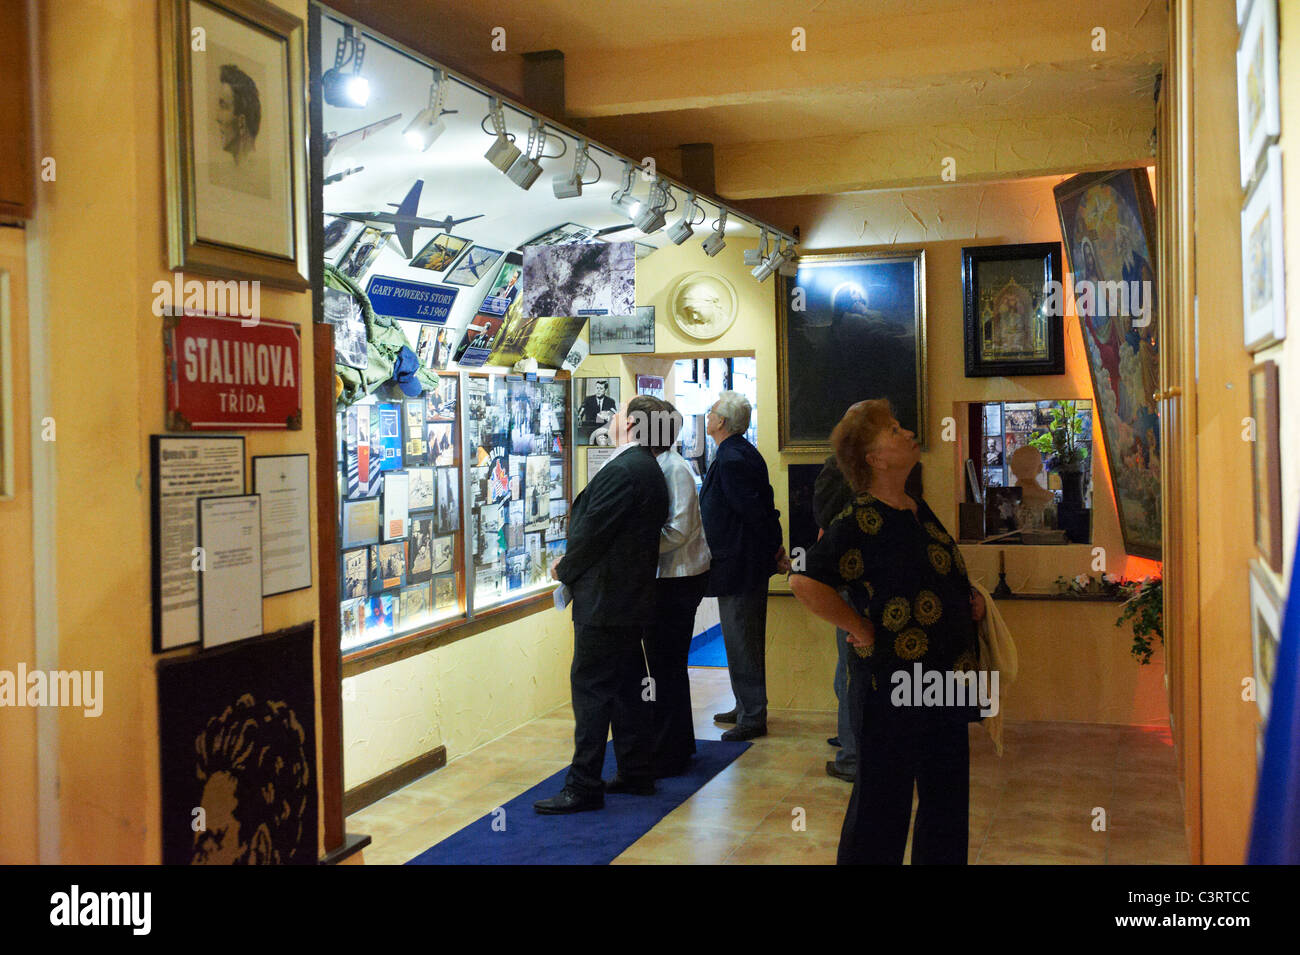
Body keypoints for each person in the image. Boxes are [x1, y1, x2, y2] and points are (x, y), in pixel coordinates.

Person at [789, 399, 986, 864]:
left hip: (945, 679)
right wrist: (857, 626)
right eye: (894, 430)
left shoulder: (916, 507)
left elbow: (933, 572)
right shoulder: (858, 518)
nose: (906, 433)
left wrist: (969, 600)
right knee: (882, 802)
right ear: (874, 458)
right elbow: (805, 581)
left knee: (948, 797)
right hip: (892, 684)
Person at [535, 395, 670, 814]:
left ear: (631, 424)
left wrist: (565, 567)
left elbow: (593, 533)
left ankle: (583, 784)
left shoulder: (625, 470)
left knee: (592, 690)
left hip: (606, 601)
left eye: (619, 413)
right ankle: (635, 770)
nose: (611, 418)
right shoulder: (647, 469)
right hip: (628, 599)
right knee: (629, 687)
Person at [699, 390, 788, 741]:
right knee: (737, 638)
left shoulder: (733, 458)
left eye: (711, 413)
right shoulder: (737, 452)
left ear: (721, 422)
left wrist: (773, 551)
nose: (707, 417)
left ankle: (752, 715)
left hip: (741, 564)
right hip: (739, 562)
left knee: (742, 639)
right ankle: (744, 704)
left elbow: (754, 513)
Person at [643, 398, 712, 777]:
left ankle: (671, 749)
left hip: (679, 578)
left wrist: (634, 545)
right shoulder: (659, 465)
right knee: (664, 665)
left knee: (667, 665)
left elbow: (679, 530)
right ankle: (674, 743)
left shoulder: (675, 468)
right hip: (667, 577)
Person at [813, 453, 857, 783]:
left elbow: (824, 513)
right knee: (847, 668)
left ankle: (852, 754)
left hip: (852, 583)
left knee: (850, 670)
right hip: (854, 583)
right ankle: (852, 744)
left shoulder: (841, 465)